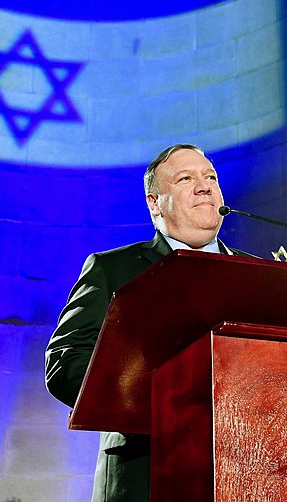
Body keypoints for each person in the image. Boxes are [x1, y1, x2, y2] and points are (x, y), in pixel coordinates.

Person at [45, 144, 251, 501]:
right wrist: (162, 404)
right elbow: (66, 362)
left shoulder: (259, 274)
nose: (205, 186)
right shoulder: (113, 270)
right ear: (155, 203)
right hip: (145, 476)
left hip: (245, 474)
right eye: (186, 178)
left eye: (210, 177)